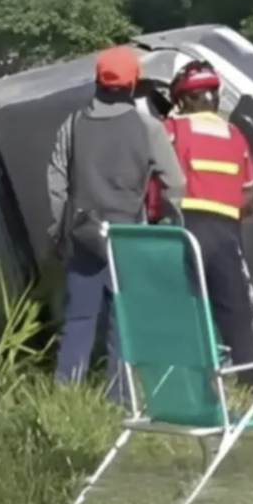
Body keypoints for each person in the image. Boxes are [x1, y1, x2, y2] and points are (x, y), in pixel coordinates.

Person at [47, 45, 185, 400]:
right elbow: (176, 182)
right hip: (130, 237)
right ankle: (120, 398)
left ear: (97, 80)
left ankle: (65, 397)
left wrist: (58, 233)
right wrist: (169, 222)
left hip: (84, 235)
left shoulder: (73, 124)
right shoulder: (147, 126)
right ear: (134, 83)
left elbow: (56, 183)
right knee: (122, 323)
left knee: (79, 321)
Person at [156, 61, 253, 391]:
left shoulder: (172, 131)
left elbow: (156, 180)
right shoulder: (235, 136)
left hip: (185, 226)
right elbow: (248, 191)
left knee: (183, 304)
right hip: (226, 229)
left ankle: (188, 381)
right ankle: (252, 379)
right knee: (234, 306)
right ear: (214, 98)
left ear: (182, 100)